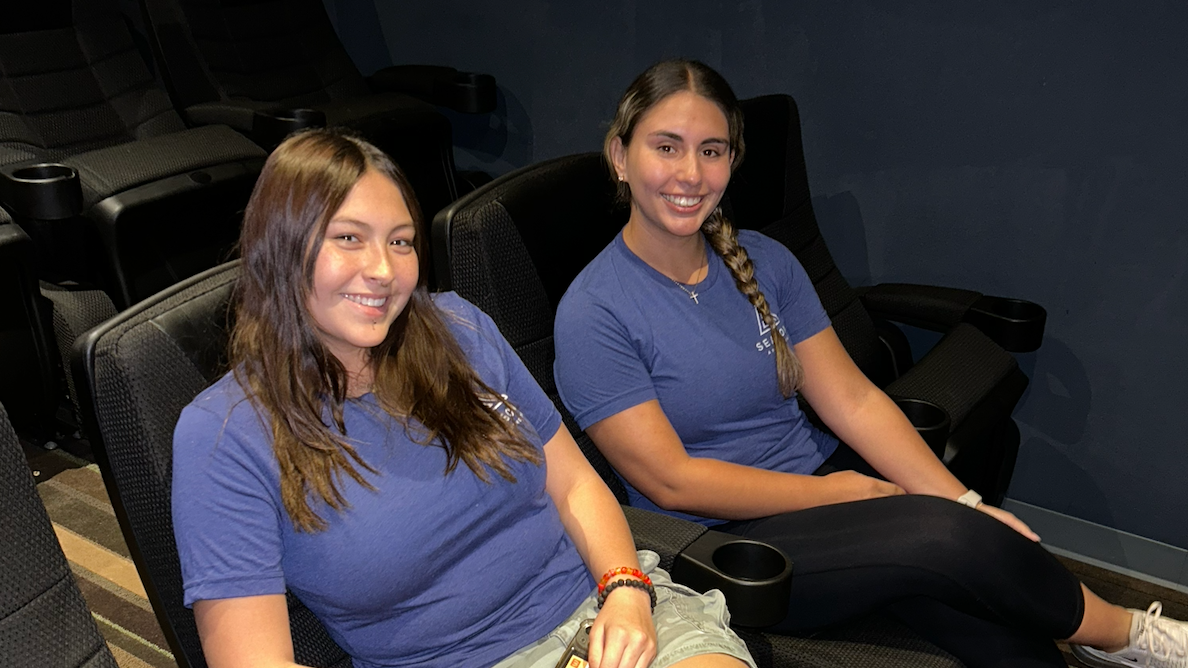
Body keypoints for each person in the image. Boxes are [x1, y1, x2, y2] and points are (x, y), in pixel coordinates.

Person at [552, 59, 1188, 668]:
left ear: (731, 162)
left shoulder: (765, 261)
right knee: (945, 540)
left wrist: (964, 499)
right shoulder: (594, 311)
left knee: (1000, 628)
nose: (691, 173)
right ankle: (1125, 632)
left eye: (711, 150)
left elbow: (851, 399)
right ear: (620, 157)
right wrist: (841, 493)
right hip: (723, 543)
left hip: (821, 489)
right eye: (667, 146)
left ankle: (1088, 641)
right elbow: (672, 482)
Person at [170, 129, 756, 668]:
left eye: (401, 242)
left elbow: (574, 483)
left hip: (602, 611)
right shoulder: (225, 437)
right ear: (281, 248)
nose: (382, 269)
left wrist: (626, 589)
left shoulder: (459, 329)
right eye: (348, 238)